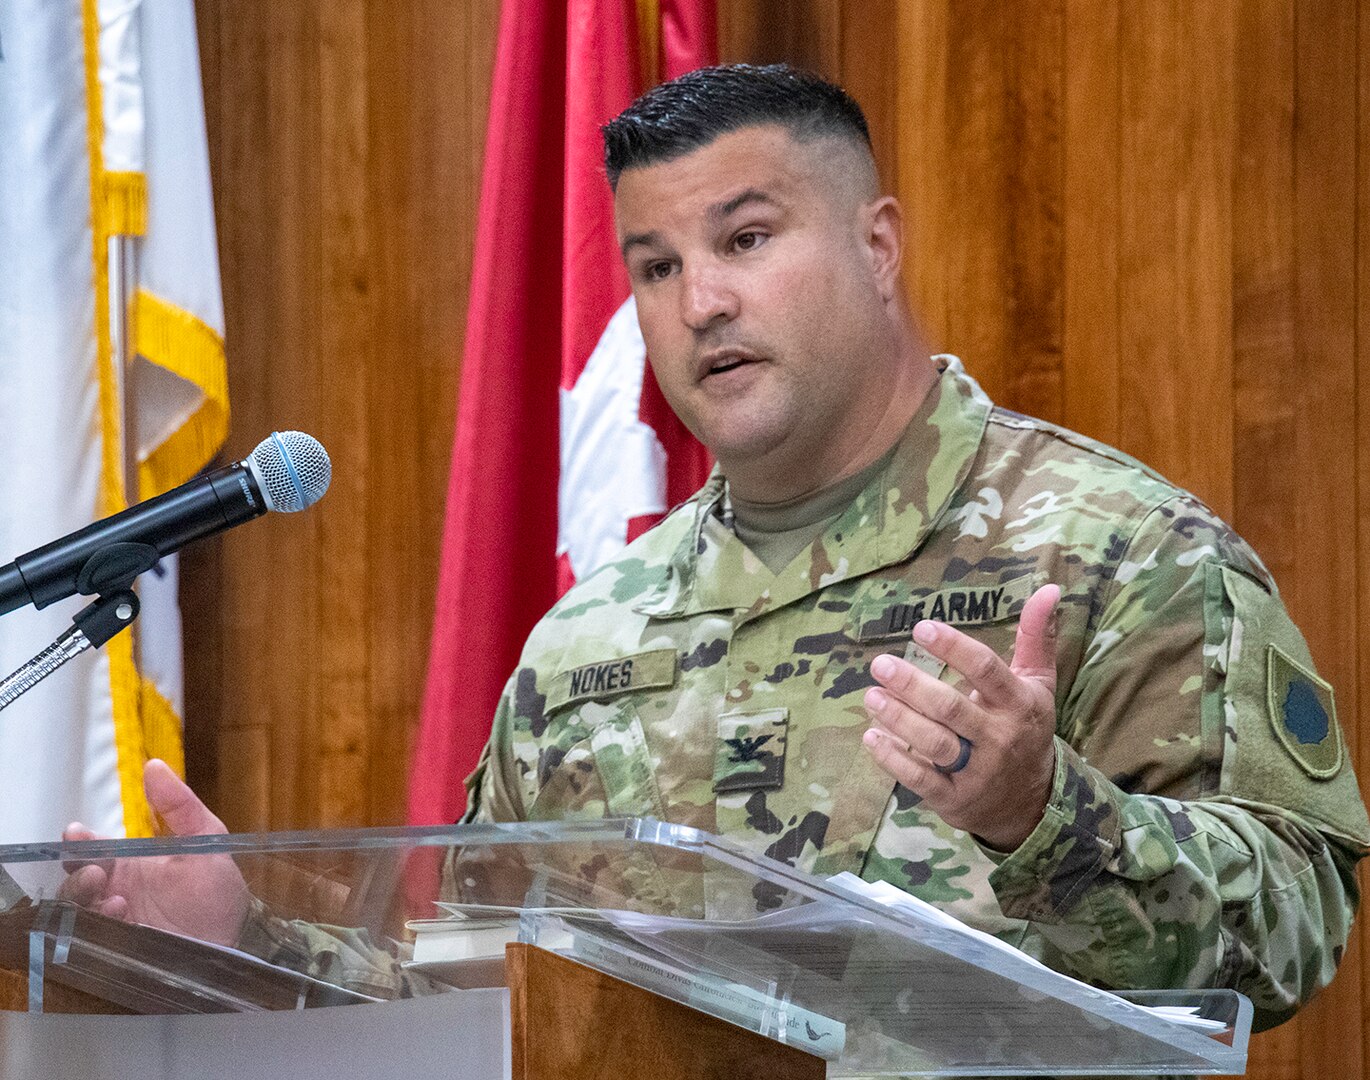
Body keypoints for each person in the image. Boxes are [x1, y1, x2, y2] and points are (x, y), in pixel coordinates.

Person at [62, 64, 1368, 1033]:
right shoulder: (593, 634)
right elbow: (488, 996)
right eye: (655, 264)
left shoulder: (1116, 551)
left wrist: (1044, 817)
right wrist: (248, 940)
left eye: (746, 239)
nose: (702, 302)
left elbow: (1301, 935)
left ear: (874, 247)